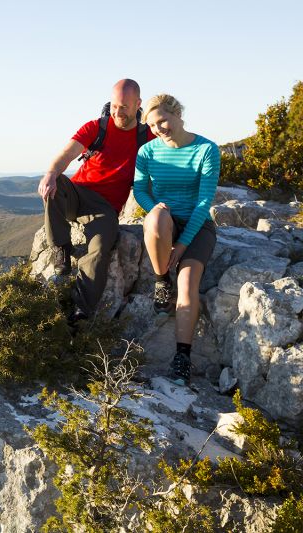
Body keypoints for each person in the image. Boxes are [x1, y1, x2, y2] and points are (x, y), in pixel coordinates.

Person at [38, 79, 155, 324]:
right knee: (55, 184)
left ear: (138, 104)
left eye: (124, 106)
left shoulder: (146, 137)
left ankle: (81, 311)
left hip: (104, 208)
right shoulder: (97, 127)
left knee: (101, 250)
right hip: (77, 193)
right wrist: (51, 173)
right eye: (114, 106)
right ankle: (60, 251)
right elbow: (67, 154)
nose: (117, 112)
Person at [133, 94, 220, 386]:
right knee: (156, 219)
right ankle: (161, 280)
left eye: (163, 121)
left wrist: (182, 246)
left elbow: (204, 201)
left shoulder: (206, 149)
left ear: (178, 115)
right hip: (166, 219)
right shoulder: (147, 152)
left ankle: (182, 356)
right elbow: (140, 190)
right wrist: (154, 206)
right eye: (153, 125)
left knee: (187, 284)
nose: (159, 129)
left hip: (197, 225)